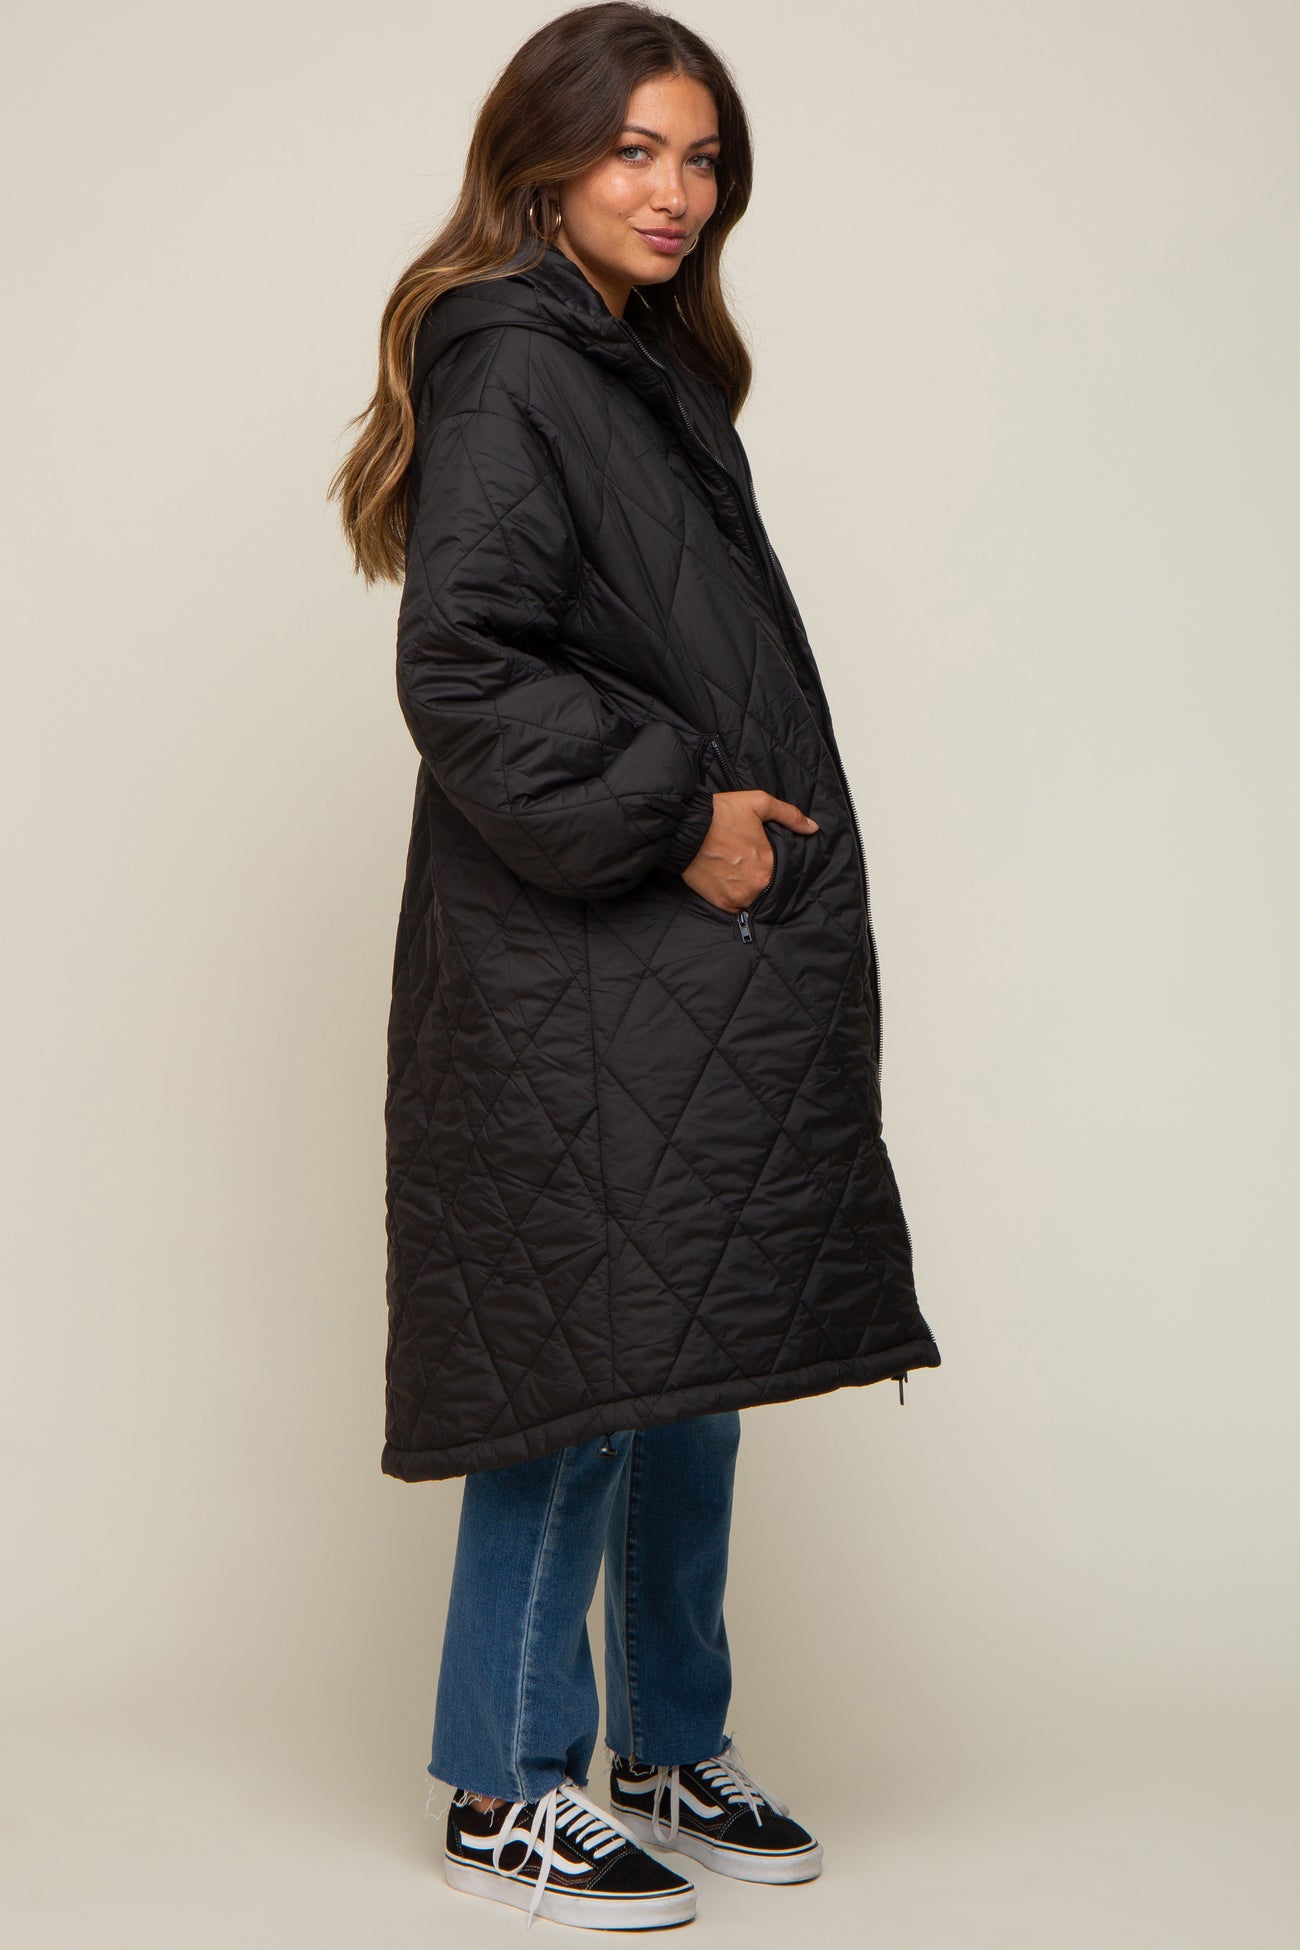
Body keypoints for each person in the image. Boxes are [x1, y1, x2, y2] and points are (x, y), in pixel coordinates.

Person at [329, 2, 941, 1930]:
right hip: (581, 946)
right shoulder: (520, 357)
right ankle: (504, 1782)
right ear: (543, 163)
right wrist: (683, 812)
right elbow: (466, 669)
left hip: (679, 959)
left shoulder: (630, 361)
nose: (676, 193)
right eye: (635, 153)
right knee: (586, 1359)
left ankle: (670, 1740)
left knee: (694, 1352)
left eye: (702, 160)